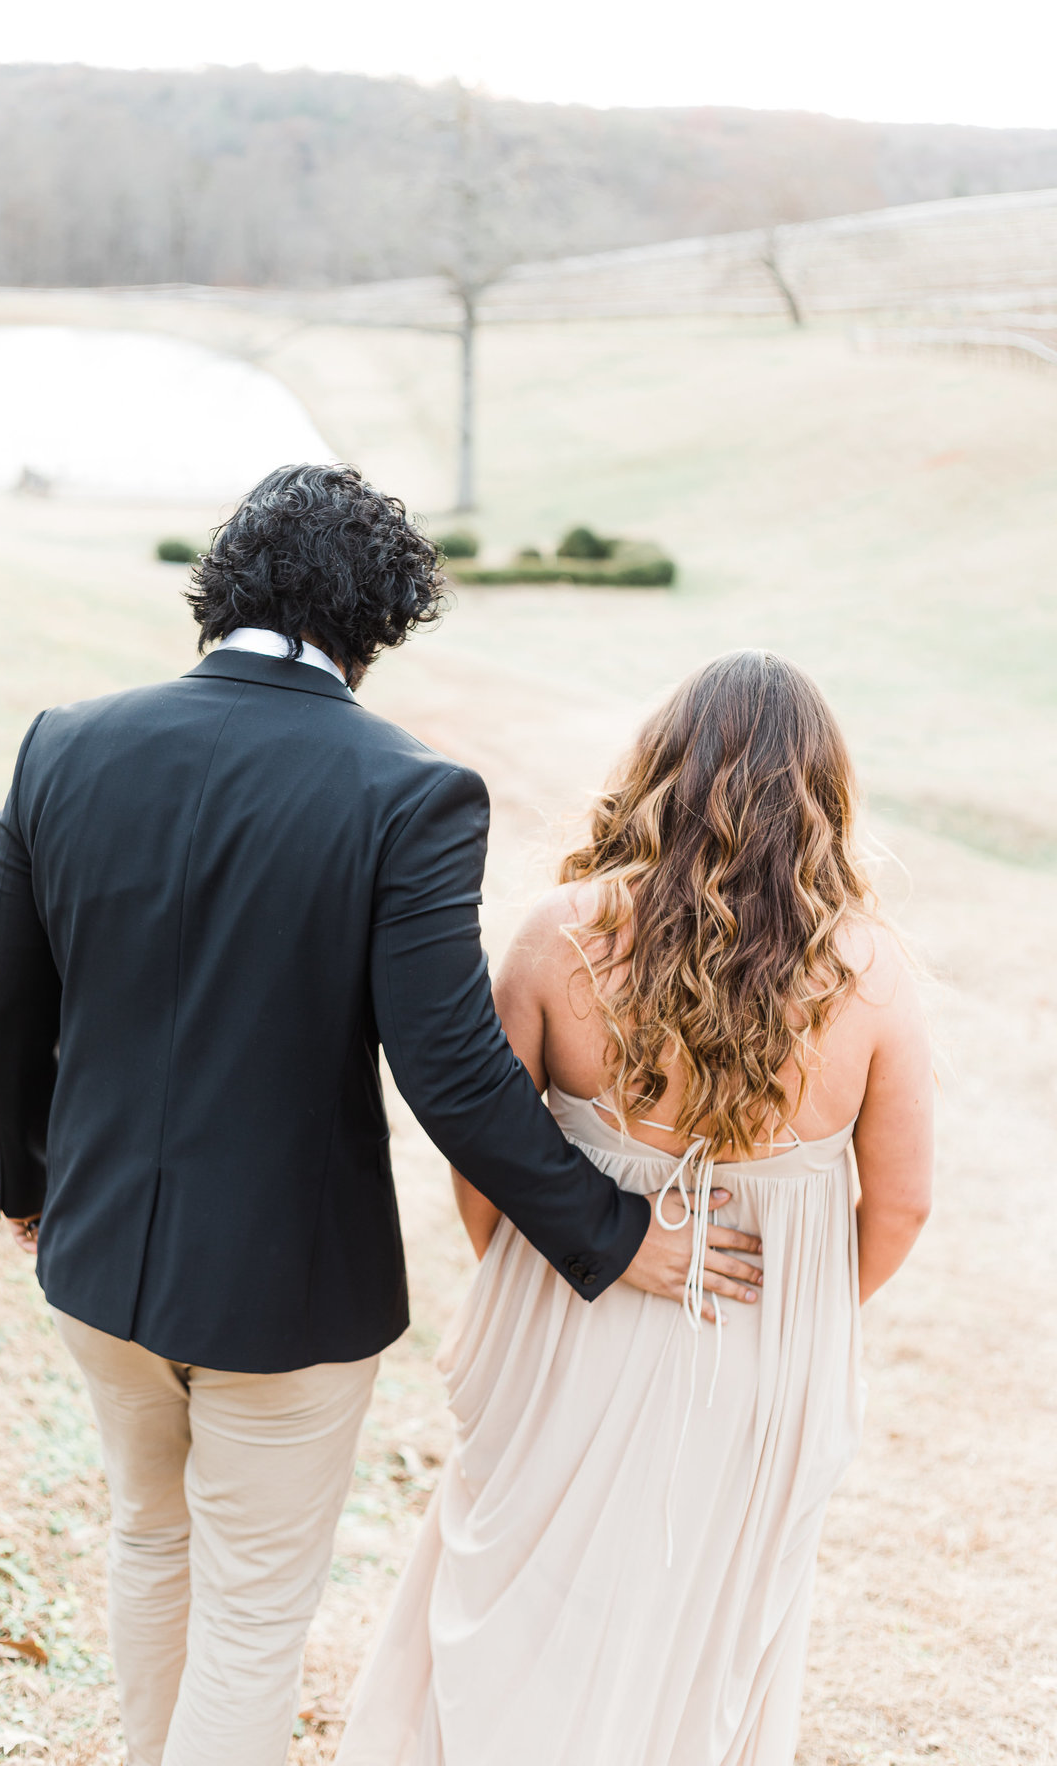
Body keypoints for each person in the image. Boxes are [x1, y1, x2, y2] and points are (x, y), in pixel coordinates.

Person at [0, 464, 764, 1766]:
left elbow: (8, 999)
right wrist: (613, 1234)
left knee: (147, 1539)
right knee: (252, 1612)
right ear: (378, 624)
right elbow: (450, 1067)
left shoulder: (63, 742)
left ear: (221, 588)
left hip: (92, 1260)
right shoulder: (411, 792)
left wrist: (26, 1185)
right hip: (284, 1303)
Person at [335, 649, 934, 1766]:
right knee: (700, 1610)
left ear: (659, 769)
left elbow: (484, 1152)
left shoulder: (558, 935)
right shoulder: (874, 974)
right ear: (828, 797)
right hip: (759, 1343)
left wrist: (532, 1272)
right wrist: (797, 1311)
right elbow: (900, 1207)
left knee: (522, 1582)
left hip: (569, 1300)